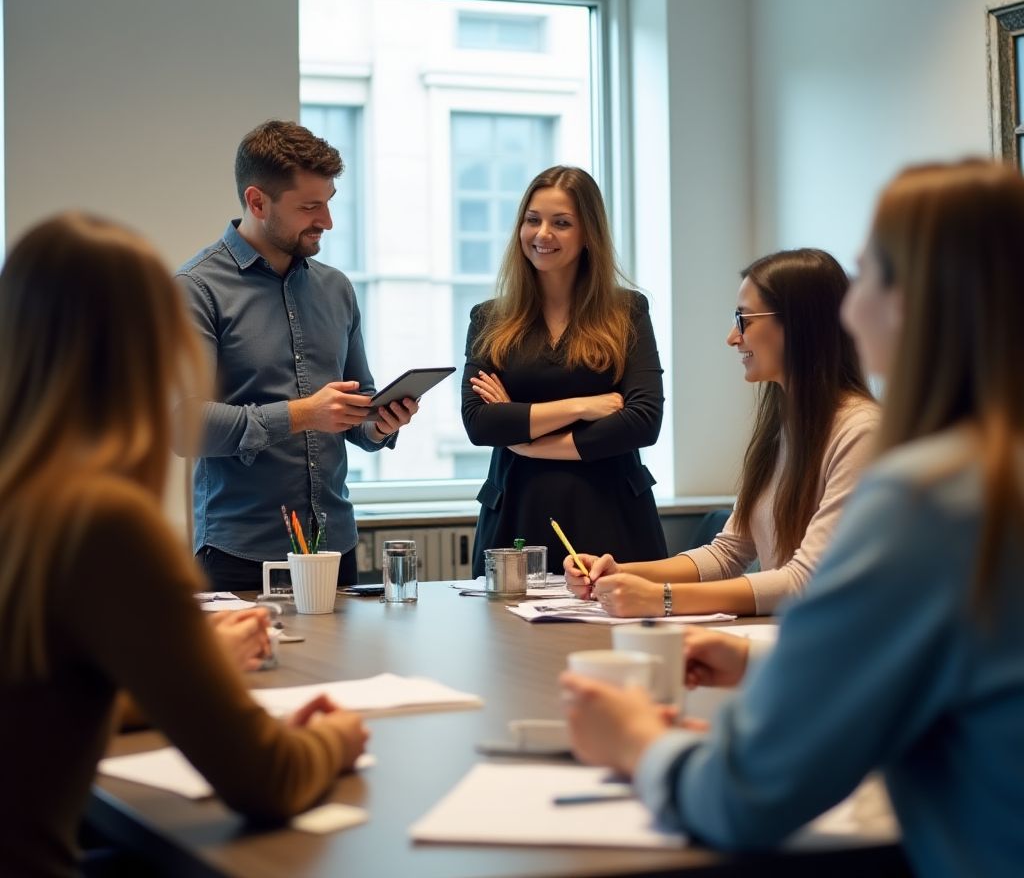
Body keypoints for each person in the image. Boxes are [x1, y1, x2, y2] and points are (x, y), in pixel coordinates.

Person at [561, 159, 1024, 877]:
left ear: (918, 302)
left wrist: (634, 744)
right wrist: (753, 654)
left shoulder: (929, 497)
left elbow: (743, 794)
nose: (851, 306)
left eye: (868, 275)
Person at [0, 213, 369, 878]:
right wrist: (335, 739)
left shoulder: (23, 497)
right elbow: (267, 778)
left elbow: (43, 691)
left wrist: (197, 661)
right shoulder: (102, 520)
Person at [565, 248, 878, 617]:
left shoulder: (862, 432)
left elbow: (806, 579)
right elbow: (728, 552)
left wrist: (661, 598)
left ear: (798, 324)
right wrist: (620, 573)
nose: (733, 337)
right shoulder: (783, 429)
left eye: (743, 320)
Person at [176, 120, 418, 592]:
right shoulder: (196, 289)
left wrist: (377, 423)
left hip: (335, 546)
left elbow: (356, 410)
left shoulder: (336, 289)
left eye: (328, 203)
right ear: (257, 201)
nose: (326, 221)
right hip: (240, 553)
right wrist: (303, 414)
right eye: (309, 207)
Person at [462, 165, 668, 578]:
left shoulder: (627, 311)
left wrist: (525, 438)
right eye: (532, 220)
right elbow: (481, 423)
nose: (542, 234)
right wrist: (583, 405)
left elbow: (643, 421)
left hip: (613, 515)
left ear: (588, 233)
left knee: (615, 639)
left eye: (562, 223)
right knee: (509, 641)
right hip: (516, 513)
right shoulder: (489, 319)